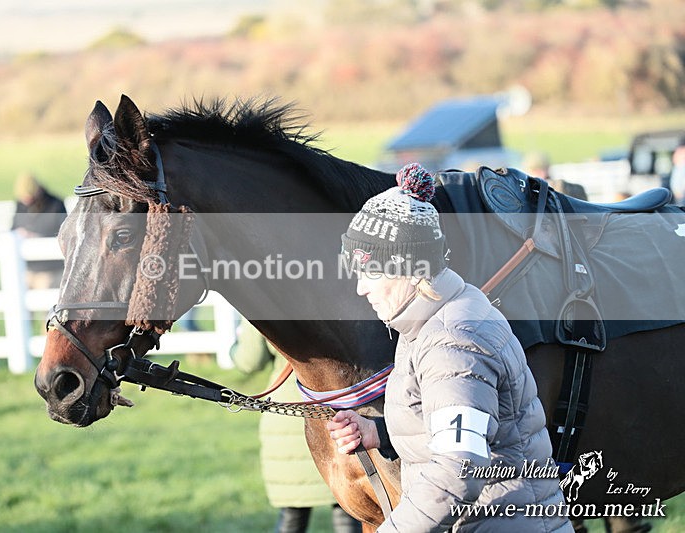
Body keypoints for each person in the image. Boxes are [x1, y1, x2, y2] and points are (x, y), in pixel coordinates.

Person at [328, 163, 572, 532]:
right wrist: (381, 433)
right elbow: (470, 428)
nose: (362, 288)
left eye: (370, 272)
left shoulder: (452, 340)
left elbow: (458, 471)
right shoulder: (432, 320)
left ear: (410, 269)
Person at [231, 318, 362, 533]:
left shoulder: (262, 297)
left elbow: (250, 360)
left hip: (288, 414)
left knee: (292, 515)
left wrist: (233, 349)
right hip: (336, 406)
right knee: (348, 511)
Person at [11, 172, 67, 289]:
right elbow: (12, 228)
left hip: (50, 269)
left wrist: (38, 237)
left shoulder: (55, 205)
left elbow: (64, 234)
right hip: (27, 267)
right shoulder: (20, 206)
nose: (26, 200)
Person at [523, 151, 588, 201]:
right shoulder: (526, 192)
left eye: (541, 169)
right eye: (536, 170)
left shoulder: (562, 188)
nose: (541, 173)